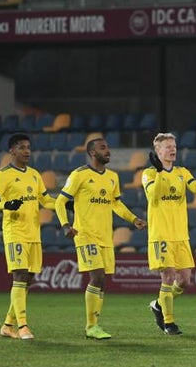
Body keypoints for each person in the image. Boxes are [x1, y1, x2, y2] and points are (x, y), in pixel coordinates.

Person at [57, 136, 146, 340]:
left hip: (106, 236)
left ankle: (95, 324)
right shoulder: (79, 175)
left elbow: (116, 204)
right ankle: (90, 327)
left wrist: (133, 219)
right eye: (103, 148)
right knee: (96, 277)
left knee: (103, 282)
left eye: (108, 147)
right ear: (92, 152)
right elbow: (60, 202)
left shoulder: (113, 176)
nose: (108, 151)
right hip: (85, 234)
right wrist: (65, 225)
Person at [0, 132, 56, 341]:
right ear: (12, 151)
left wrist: (64, 203)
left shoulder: (35, 174)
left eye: (28, 147)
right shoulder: (3, 175)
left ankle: (8, 325)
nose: (27, 151)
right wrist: (5, 205)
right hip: (15, 232)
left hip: (34, 233)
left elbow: (46, 200)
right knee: (19, 275)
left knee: (28, 279)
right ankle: (23, 326)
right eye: (22, 147)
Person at [142, 132, 196, 336]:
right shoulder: (149, 174)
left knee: (184, 281)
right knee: (168, 276)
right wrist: (159, 171)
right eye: (168, 147)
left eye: (174, 146)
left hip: (181, 235)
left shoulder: (182, 172)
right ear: (158, 151)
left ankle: (158, 304)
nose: (173, 149)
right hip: (161, 235)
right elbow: (153, 195)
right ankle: (169, 323)